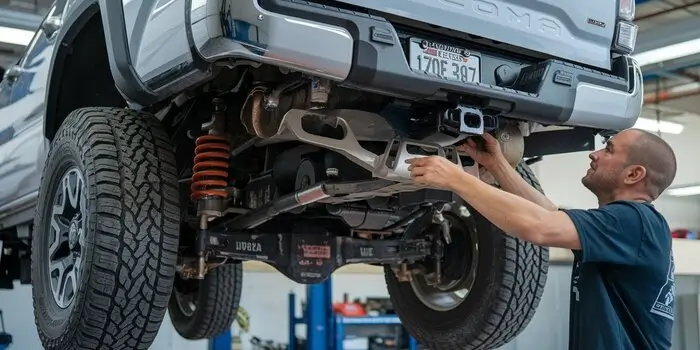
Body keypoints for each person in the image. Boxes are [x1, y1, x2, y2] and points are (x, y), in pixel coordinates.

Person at [407, 128, 676, 350]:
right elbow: (549, 214)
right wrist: (497, 165)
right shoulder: (632, 226)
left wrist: (456, 179)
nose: (594, 154)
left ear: (634, 174)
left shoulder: (636, 222)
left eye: (609, 149)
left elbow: (539, 227)